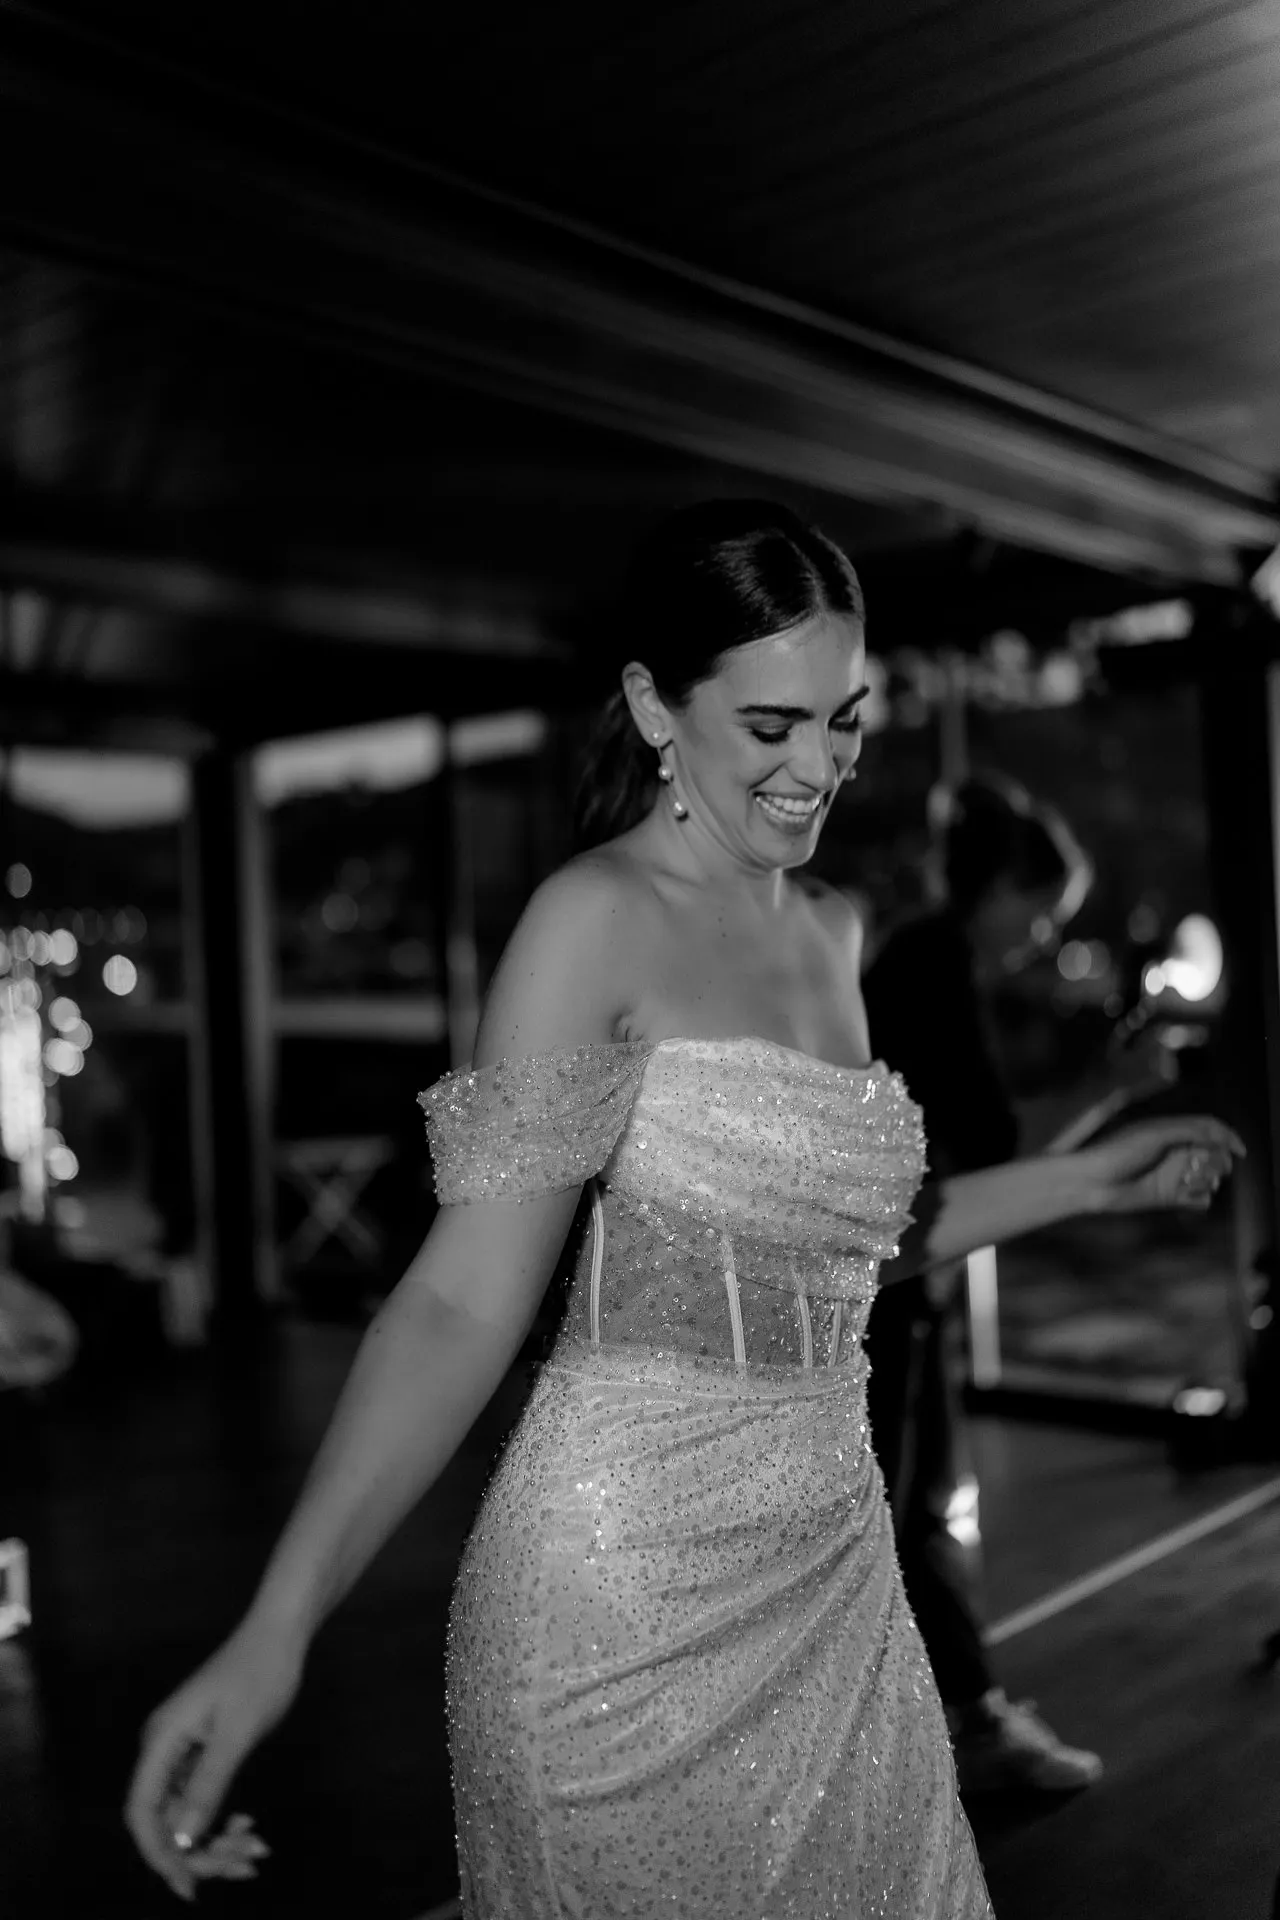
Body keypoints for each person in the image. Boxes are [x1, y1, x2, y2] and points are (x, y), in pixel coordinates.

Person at [125, 501, 1240, 1916]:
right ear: (657, 706)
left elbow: (844, 1260)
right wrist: (276, 1629)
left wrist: (1094, 1176)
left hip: (836, 1583)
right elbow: (462, 1300)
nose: (817, 766)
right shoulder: (593, 919)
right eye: (771, 725)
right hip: (618, 1613)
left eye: (844, 721)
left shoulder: (833, 929)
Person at [862, 775, 1103, 1795]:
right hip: (881, 1280)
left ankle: (940, 1720)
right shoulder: (930, 963)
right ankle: (964, 1725)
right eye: (1040, 912)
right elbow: (996, 1154)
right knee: (908, 1505)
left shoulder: (921, 956)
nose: (1039, 937)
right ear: (1000, 884)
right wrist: (1115, 1097)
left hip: (885, 1273)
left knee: (906, 1500)